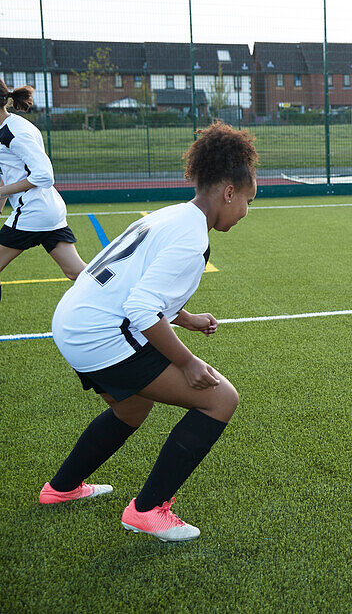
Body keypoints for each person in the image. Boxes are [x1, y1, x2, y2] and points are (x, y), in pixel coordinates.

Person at [40, 121, 258, 543]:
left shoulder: (173, 215)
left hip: (71, 321)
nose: (246, 212)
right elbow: (140, 308)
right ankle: (147, 510)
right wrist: (187, 361)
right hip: (98, 335)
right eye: (248, 201)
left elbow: (134, 285)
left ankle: (61, 488)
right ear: (229, 192)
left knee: (131, 408)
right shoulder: (191, 239)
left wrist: (187, 318)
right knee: (220, 399)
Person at [0, 79, 85, 298]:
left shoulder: (14, 134)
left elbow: (44, 175)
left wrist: (1, 193)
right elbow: (6, 173)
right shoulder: (11, 126)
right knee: (76, 271)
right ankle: (125, 288)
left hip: (33, 212)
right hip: (48, 210)